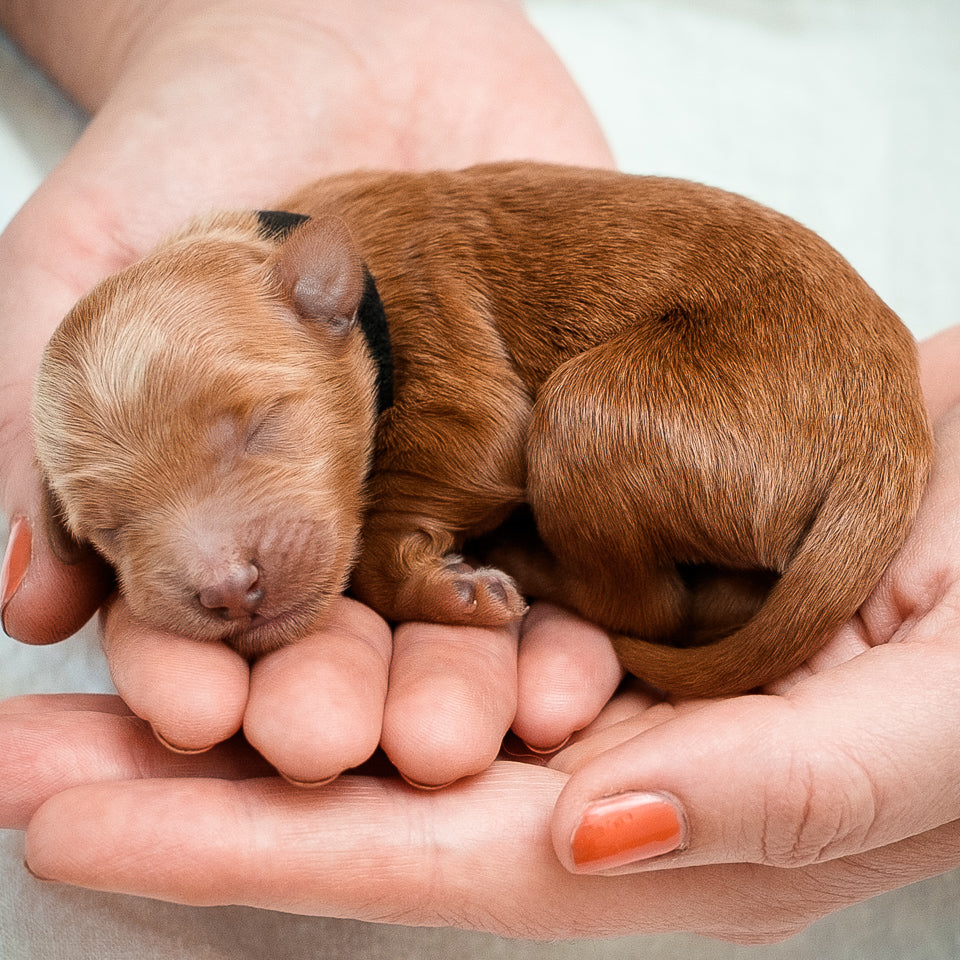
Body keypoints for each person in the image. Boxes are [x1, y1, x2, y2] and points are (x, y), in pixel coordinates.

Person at [3, 0, 960, 946]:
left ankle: (644, 601)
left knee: (584, 431)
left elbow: (487, 433)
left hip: (753, 380)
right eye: (118, 527)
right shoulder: (296, 302)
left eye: (251, 438)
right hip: (770, 429)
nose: (218, 574)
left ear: (325, 303)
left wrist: (389, 553)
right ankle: (703, 592)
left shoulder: (389, 282)